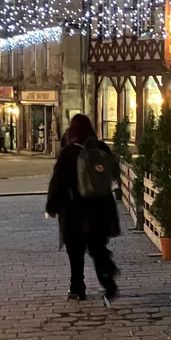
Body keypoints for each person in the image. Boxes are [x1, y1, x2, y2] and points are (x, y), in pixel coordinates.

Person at [46, 114, 120, 301]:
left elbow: (58, 182)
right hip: (101, 209)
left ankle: (77, 287)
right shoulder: (101, 148)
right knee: (97, 248)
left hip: (75, 210)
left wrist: (51, 206)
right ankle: (108, 279)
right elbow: (115, 172)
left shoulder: (69, 152)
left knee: (75, 251)